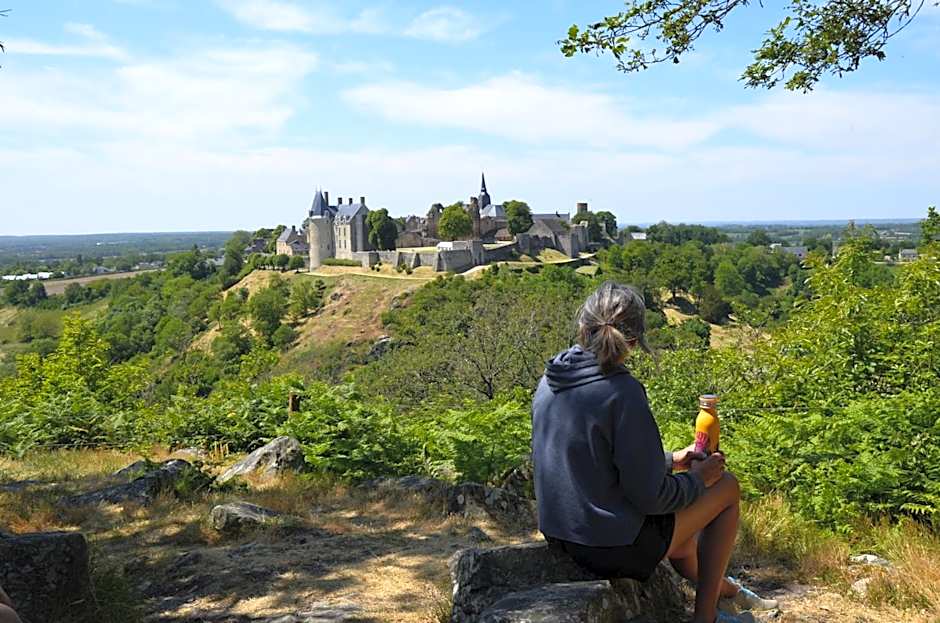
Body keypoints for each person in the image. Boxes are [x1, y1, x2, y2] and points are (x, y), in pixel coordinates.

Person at [532, 281, 777, 623]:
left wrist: (670, 461)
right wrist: (698, 479)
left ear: (583, 327)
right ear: (633, 342)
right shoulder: (622, 391)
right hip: (610, 547)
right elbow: (651, 499)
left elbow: (593, 459)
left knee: (683, 538)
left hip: (563, 535)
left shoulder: (551, 379)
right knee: (727, 487)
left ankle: (730, 592)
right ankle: (706, 617)